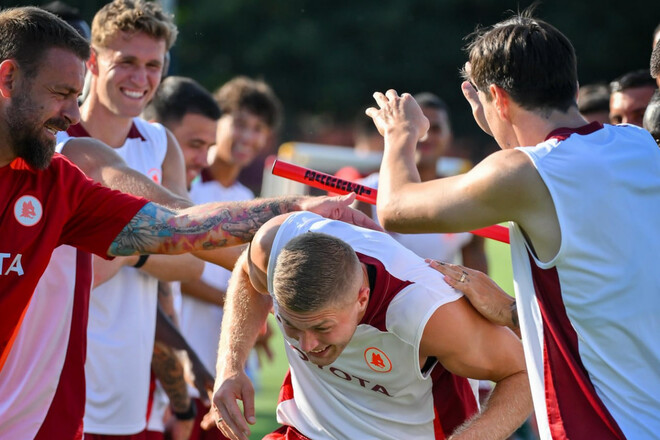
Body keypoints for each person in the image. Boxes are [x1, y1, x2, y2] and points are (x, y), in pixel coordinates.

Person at [0, 8, 375, 440]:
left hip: (52, 416)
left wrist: (298, 208)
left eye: (153, 64)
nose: (72, 110)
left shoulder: (60, 181)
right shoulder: (76, 158)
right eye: (61, 92)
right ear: (9, 78)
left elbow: (180, 228)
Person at [366, 11, 660, 440]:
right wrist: (508, 311)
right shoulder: (638, 144)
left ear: (499, 99)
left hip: (606, 425)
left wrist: (400, 134)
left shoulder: (525, 172)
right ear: (574, 89)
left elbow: (395, 208)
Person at [213, 211, 531, 440]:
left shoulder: (425, 307)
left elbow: (523, 373)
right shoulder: (274, 246)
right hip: (307, 430)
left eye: (322, 328)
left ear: (362, 299)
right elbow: (246, 272)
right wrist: (230, 367)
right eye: (292, 327)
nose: (307, 345)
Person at [143, 75, 228, 439]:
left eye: (209, 146)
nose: (202, 159)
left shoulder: (180, 198)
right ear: (157, 135)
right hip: (116, 402)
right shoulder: (133, 200)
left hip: (158, 400)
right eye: (194, 144)